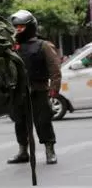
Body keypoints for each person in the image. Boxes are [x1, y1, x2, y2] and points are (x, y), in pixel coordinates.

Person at [7, 9, 61, 165]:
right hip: (18, 91)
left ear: (30, 26)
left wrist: (53, 90)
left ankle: (50, 150)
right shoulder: (12, 46)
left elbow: (55, 69)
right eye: (16, 27)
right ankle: (23, 151)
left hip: (39, 90)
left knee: (43, 122)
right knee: (20, 122)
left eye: (21, 26)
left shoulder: (43, 45)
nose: (18, 29)